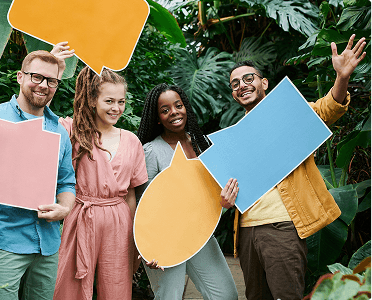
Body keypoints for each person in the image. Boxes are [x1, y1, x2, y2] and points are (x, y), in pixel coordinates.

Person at [228, 34, 367, 300]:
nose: (242, 85)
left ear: (263, 82)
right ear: (233, 94)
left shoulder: (289, 114)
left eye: (248, 78)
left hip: (282, 225)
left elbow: (327, 110)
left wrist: (342, 77)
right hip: (245, 231)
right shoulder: (234, 137)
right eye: (235, 84)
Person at [0, 48, 77, 300]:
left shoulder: (59, 132)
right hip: (5, 240)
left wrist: (64, 209)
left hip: (48, 244)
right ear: (20, 76)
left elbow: (67, 182)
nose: (44, 85)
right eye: (37, 77)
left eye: (51, 81)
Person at [52, 64, 148, 300]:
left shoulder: (131, 141)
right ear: (93, 100)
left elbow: (131, 195)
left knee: (116, 286)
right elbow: (40, 119)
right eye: (109, 101)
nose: (116, 108)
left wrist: (135, 240)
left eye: (121, 102)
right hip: (80, 213)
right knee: (68, 285)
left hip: (119, 219)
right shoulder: (73, 131)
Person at [135, 83, 239, 300]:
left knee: (226, 295)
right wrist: (148, 248)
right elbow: (143, 206)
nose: (173, 112)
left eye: (178, 105)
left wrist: (224, 203)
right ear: (157, 118)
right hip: (165, 241)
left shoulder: (202, 146)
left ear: (186, 108)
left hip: (199, 235)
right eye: (165, 110)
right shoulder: (151, 152)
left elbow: (212, 195)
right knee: (169, 297)